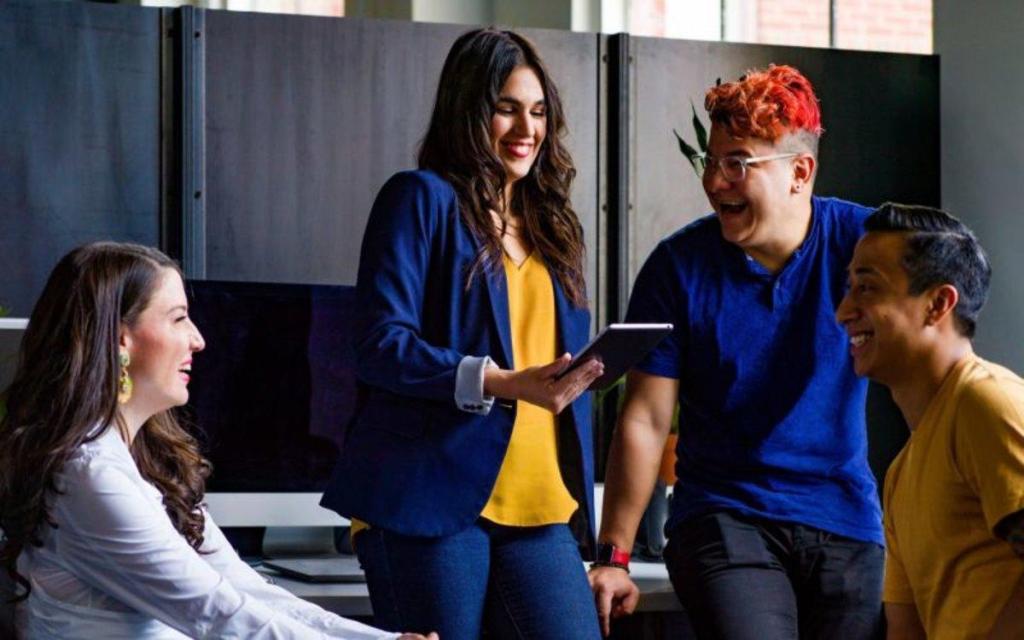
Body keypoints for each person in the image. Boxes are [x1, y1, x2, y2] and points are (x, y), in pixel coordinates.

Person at [319, 27, 604, 640]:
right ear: (468, 111)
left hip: (540, 499)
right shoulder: (419, 198)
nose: (527, 129)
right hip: (429, 493)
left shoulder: (555, 226)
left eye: (538, 112)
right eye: (506, 108)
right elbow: (379, 344)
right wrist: (500, 381)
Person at [0, 242, 435, 639]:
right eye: (178, 318)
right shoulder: (88, 475)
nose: (198, 339)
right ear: (120, 338)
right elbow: (216, 612)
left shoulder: (145, 464)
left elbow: (246, 590)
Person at [589, 65, 884, 638]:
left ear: (800, 172)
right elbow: (646, 418)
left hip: (843, 519)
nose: (715, 182)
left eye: (738, 164)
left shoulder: (865, 245)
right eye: (712, 162)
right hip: (724, 517)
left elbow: (942, 315)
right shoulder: (678, 267)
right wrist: (614, 557)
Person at [836, 204, 1024, 640]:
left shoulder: (986, 403)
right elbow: (906, 629)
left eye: (867, 288)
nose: (844, 311)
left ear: (937, 304)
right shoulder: (901, 474)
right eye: (849, 289)